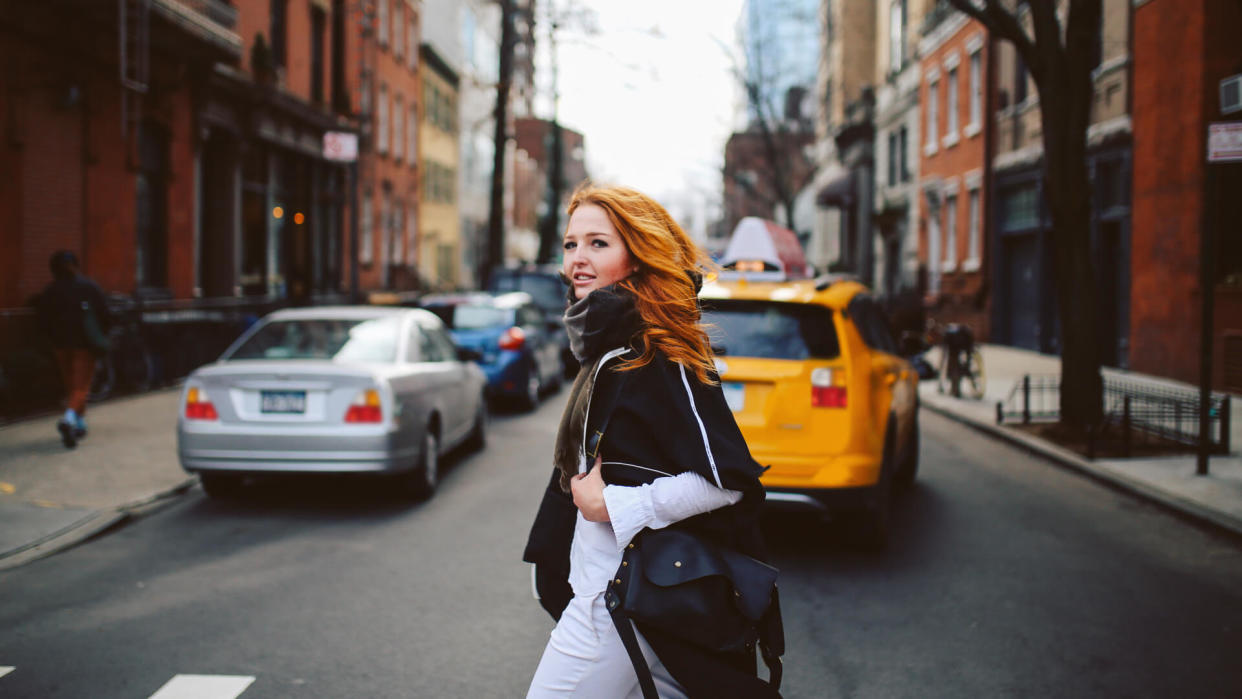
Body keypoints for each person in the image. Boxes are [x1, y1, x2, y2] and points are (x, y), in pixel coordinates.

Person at [523, 185, 781, 698]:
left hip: (621, 594)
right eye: (572, 244)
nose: (578, 258)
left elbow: (729, 482)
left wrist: (613, 504)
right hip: (613, 590)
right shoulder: (609, 347)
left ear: (637, 258)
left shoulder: (657, 351)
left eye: (598, 244)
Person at [35, 250, 112, 448]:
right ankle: (69, 420)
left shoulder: (50, 290)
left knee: (72, 386)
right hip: (84, 346)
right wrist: (101, 334)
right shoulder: (88, 287)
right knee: (81, 387)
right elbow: (106, 313)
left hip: (60, 345)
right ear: (75, 265)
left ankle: (80, 423)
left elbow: (42, 320)